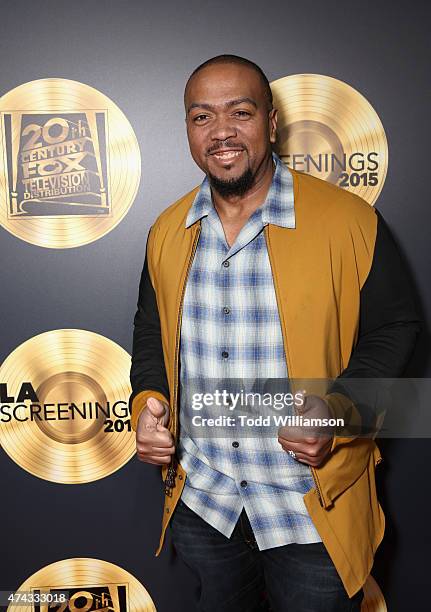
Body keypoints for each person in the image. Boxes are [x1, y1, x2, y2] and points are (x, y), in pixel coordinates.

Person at [129, 55, 420, 611]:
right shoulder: (166, 230)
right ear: (188, 128)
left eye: (240, 112)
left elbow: (396, 328)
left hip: (310, 510)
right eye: (201, 117)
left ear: (271, 122)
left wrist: (336, 410)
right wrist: (149, 401)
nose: (221, 132)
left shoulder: (348, 221)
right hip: (206, 504)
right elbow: (151, 331)